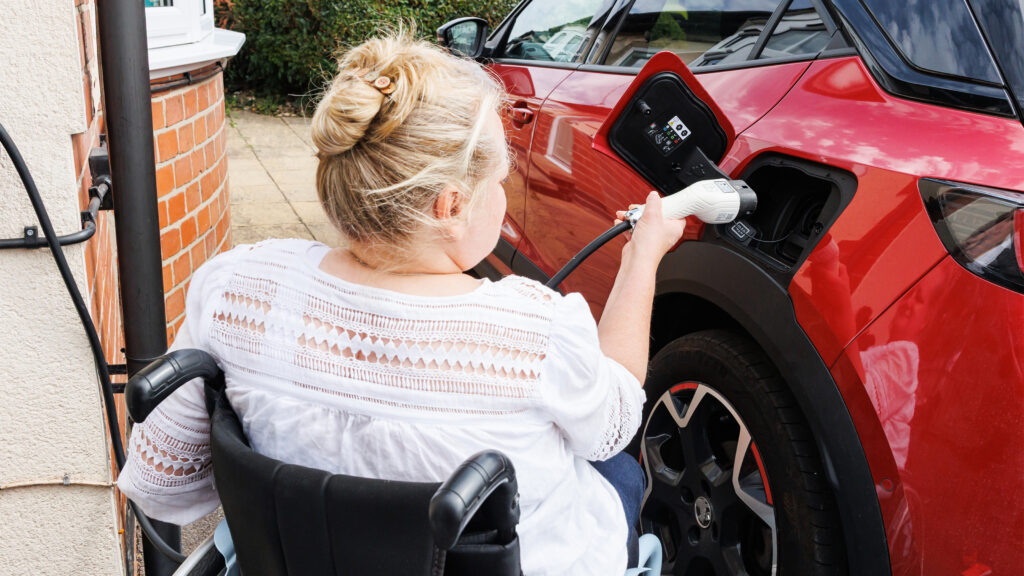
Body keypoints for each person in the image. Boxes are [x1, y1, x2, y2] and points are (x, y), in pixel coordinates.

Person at [117, 32, 685, 576]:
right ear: (451, 205)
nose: (503, 194)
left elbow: (161, 483)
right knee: (619, 469)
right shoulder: (535, 331)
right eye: (499, 180)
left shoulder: (236, 289)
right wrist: (642, 259)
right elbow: (613, 424)